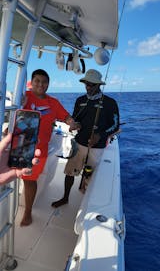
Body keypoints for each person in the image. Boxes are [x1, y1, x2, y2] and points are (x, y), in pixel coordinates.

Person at [51, 68, 120, 208]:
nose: (88, 87)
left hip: (97, 147)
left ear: (99, 85)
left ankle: (86, 200)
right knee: (70, 172)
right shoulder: (80, 100)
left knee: (91, 175)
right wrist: (75, 124)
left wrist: (100, 134)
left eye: (91, 84)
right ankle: (65, 197)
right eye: (86, 84)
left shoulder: (110, 103)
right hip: (79, 143)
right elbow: (76, 118)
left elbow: (115, 125)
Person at [21, 69, 76, 226]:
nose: (41, 84)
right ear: (32, 82)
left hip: (39, 149)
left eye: (44, 81)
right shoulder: (23, 96)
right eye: (37, 80)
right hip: (20, 145)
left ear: (48, 84)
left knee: (30, 180)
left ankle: (27, 212)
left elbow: (66, 116)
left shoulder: (53, 102)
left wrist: (71, 122)